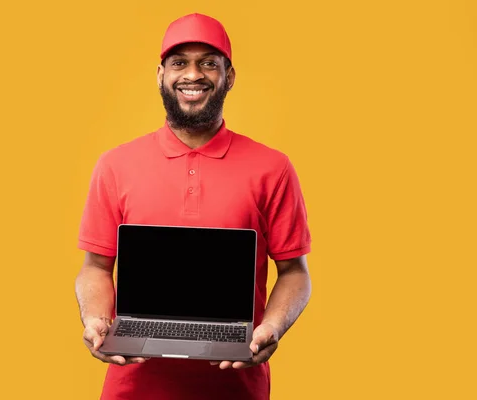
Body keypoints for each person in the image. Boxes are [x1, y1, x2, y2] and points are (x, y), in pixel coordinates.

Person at [75, 13, 312, 400]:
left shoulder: (273, 167)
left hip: (237, 386)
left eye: (208, 62)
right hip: (133, 388)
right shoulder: (115, 165)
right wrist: (97, 321)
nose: (193, 74)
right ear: (160, 75)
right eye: (179, 62)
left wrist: (272, 327)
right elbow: (95, 267)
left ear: (229, 76)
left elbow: (295, 273)